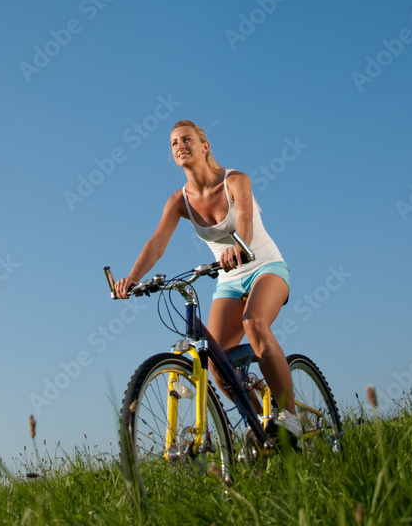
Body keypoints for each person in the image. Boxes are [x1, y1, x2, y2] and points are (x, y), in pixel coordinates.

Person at [113, 119, 301, 442]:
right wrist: (132, 278)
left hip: (265, 266)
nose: (179, 147)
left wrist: (236, 246)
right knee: (215, 360)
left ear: (204, 146)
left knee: (254, 323)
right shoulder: (178, 201)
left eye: (186, 140)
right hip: (228, 280)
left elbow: (244, 220)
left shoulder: (236, 180)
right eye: (173, 144)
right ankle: (260, 425)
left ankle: (289, 418)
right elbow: (157, 242)